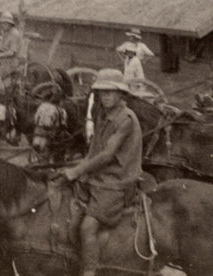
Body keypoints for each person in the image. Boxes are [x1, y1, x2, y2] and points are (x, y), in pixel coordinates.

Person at [61, 68, 143, 276]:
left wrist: (78, 170)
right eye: (101, 92)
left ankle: (89, 271)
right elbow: (93, 152)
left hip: (117, 182)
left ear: (120, 94)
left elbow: (106, 155)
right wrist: (75, 170)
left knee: (88, 226)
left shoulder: (125, 118)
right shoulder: (103, 115)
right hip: (100, 177)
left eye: (110, 92)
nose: (105, 96)